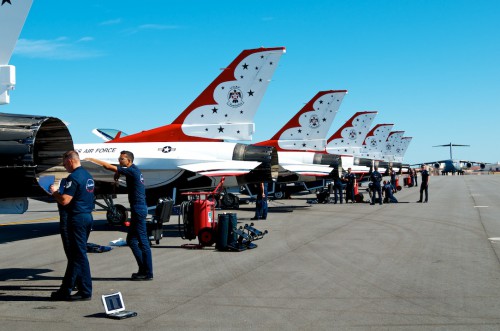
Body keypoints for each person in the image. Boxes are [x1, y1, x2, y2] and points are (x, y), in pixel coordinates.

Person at [86, 151, 153, 280]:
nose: (119, 160)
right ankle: (143, 269)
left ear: (129, 160)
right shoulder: (132, 170)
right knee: (132, 241)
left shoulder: (132, 171)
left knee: (143, 241)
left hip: (138, 209)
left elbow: (108, 167)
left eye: (122, 159)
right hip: (138, 208)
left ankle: (148, 273)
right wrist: (117, 173)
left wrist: (94, 160)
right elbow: (118, 171)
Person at [49, 151, 94, 301]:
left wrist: (54, 193)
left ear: (70, 161)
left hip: (77, 219)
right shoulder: (88, 175)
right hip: (87, 216)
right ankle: (66, 289)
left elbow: (65, 201)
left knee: (79, 255)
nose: (64, 166)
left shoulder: (73, 177)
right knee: (76, 256)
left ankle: (85, 291)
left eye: (64, 163)